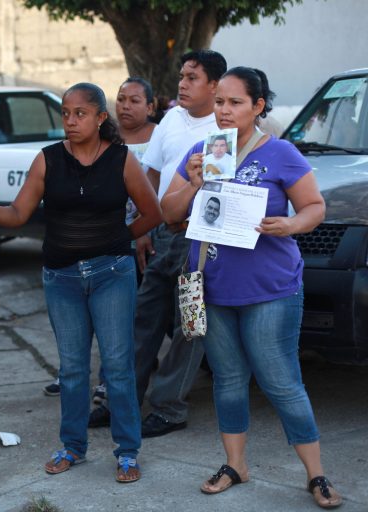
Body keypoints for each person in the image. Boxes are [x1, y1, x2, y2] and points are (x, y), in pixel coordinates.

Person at [0, 83, 162, 482]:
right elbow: (17, 214)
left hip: (111, 275)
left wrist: (120, 238)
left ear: (101, 118)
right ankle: (72, 446)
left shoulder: (121, 160)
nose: (70, 120)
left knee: (118, 367)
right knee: (71, 370)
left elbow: (153, 212)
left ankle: (128, 451)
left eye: (80, 113)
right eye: (65, 112)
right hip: (61, 278)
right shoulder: (48, 160)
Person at [161, 66, 342, 510]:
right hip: (215, 286)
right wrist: (194, 183)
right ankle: (235, 465)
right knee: (228, 380)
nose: (224, 110)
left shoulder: (280, 153)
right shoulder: (202, 152)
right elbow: (168, 212)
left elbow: (315, 207)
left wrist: (290, 224)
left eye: (235, 102)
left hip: (270, 288)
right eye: (219, 101)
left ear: (258, 106)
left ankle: (316, 475)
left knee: (280, 381)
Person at [134, 49, 226, 438]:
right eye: (182, 77)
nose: (182, 84)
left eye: (192, 77)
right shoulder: (170, 118)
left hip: (200, 242)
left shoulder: (224, 131)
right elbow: (150, 175)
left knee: (190, 326)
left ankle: (169, 406)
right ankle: (120, 396)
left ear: (214, 85)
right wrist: (142, 227)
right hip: (163, 236)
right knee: (142, 318)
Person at [88, 76, 158, 428]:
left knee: (163, 320)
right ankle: (107, 395)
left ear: (151, 106)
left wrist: (144, 231)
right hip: (113, 245)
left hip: (155, 240)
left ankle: (163, 392)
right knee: (115, 322)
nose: (126, 106)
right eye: (120, 99)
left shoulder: (161, 137)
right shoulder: (105, 140)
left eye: (134, 100)